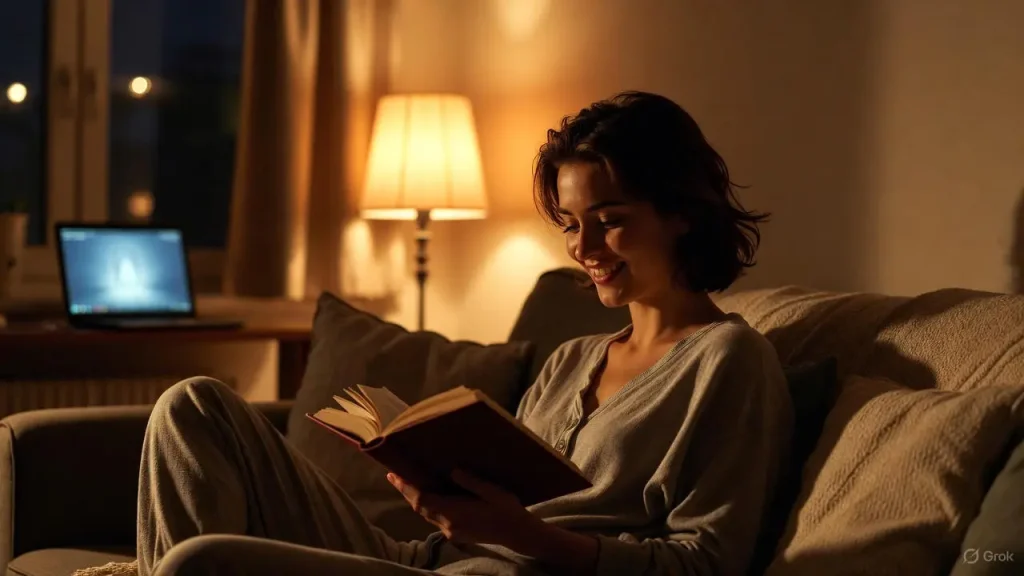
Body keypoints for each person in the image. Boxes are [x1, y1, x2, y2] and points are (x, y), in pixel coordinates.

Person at [136, 91, 793, 576]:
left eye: (610, 219)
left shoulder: (728, 361)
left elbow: (709, 565)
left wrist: (527, 537)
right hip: (429, 558)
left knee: (203, 562)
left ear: (681, 212)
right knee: (192, 405)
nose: (584, 246)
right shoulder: (573, 359)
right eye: (569, 223)